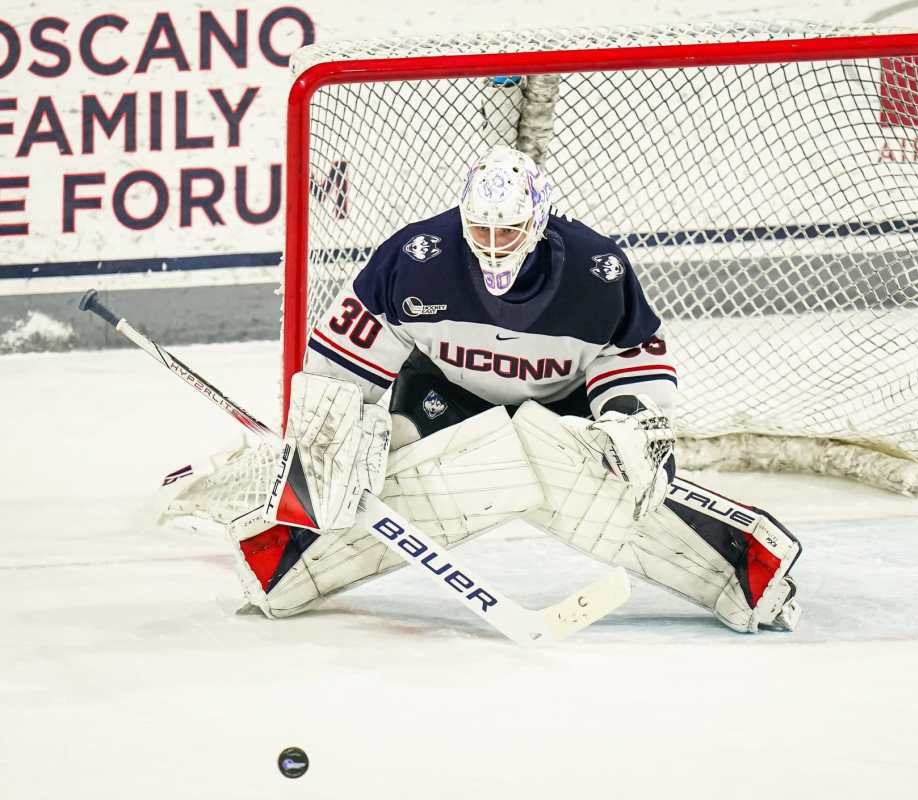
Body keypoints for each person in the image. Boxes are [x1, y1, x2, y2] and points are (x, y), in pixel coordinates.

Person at [233, 145, 802, 633]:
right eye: (481, 229)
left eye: (508, 230)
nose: (493, 243)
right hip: (443, 397)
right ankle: (280, 562)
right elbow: (345, 352)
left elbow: (628, 351)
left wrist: (629, 415)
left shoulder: (596, 269)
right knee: (368, 470)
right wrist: (331, 434)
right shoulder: (415, 258)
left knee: (620, 482)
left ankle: (744, 573)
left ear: (538, 221)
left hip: (561, 407)